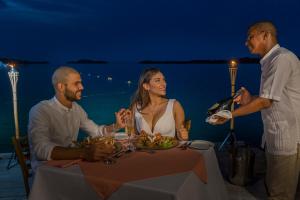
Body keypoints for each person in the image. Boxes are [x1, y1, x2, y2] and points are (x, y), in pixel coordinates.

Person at [214, 21, 300, 200]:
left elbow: (266, 102)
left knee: (280, 194)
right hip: (274, 135)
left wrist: (230, 114)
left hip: (288, 137)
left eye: (250, 36)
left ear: (265, 35)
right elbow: (270, 99)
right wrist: (249, 98)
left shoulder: (281, 58)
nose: (246, 42)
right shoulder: (269, 61)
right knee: (272, 187)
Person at [28, 66, 128, 171]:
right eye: (76, 83)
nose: (82, 87)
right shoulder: (40, 110)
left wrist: (116, 126)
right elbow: (40, 149)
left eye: (81, 82)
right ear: (61, 87)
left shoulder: (77, 109)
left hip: (72, 163)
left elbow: (96, 131)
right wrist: (83, 153)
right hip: (48, 169)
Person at [130, 67, 189, 140]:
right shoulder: (136, 107)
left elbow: (181, 138)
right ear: (146, 86)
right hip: (143, 151)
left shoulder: (175, 106)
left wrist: (182, 136)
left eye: (164, 80)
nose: (164, 84)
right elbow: (133, 136)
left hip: (169, 151)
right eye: (158, 80)